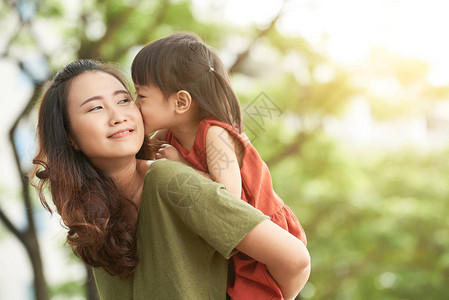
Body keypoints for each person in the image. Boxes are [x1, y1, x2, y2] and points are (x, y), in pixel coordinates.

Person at [30, 59, 310, 300]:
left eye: (124, 99)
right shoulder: (94, 219)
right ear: (69, 137)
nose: (118, 116)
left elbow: (294, 261)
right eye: (95, 108)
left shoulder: (170, 180)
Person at [131, 32, 308, 299]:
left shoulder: (215, 134)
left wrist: (181, 166)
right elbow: (137, 162)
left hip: (261, 232)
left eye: (141, 96)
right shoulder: (167, 135)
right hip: (230, 238)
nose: (134, 106)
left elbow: (229, 197)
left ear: (181, 102)